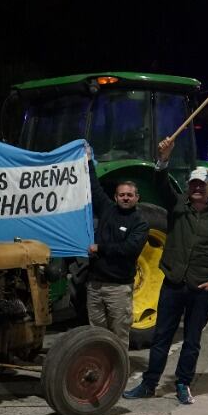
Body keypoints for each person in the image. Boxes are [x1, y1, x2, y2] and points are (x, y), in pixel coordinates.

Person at [123, 140, 208, 405]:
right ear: (188, 187)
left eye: (202, 185)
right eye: (193, 185)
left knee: (192, 341)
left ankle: (183, 384)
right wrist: (163, 160)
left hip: (201, 289)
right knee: (161, 337)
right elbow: (161, 183)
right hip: (173, 284)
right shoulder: (177, 208)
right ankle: (150, 383)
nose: (197, 189)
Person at [84, 147, 149, 351]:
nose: (126, 198)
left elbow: (128, 249)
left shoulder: (140, 223)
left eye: (130, 195)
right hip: (95, 286)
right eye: (122, 195)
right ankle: (103, 372)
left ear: (137, 198)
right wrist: (87, 162)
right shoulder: (107, 210)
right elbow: (94, 189)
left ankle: (120, 375)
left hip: (118, 288)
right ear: (115, 197)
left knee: (119, 334)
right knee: (97, 334)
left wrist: (99, 248)